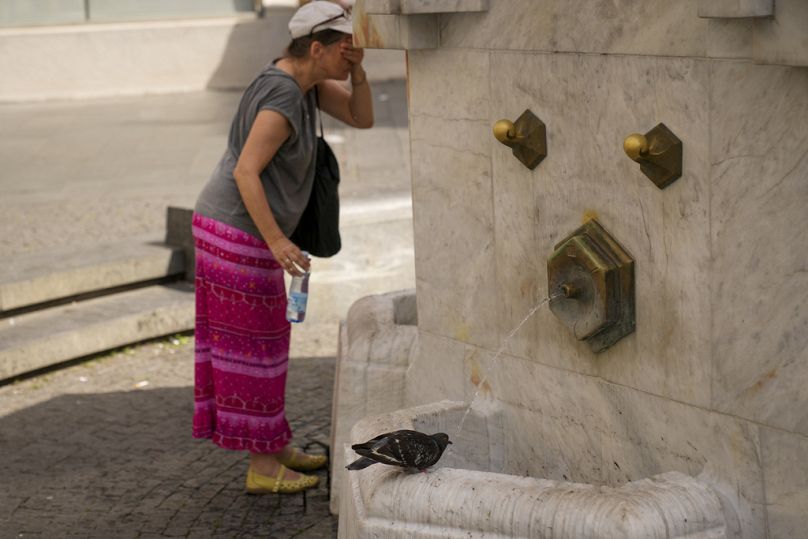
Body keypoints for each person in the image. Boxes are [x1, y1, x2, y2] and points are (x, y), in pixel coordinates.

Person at [191, 1, 373, 494]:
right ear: (317, 48)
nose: (352, 58)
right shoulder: (284, 95)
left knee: (267, 344)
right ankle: (263, 468)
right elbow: (245, 170)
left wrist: (358, 76)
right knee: (254, 349)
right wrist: (275, 240)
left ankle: (273, 445)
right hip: (237, 232)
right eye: (345, 53)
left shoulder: (305, 84)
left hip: (241, 231)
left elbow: (362, 118)